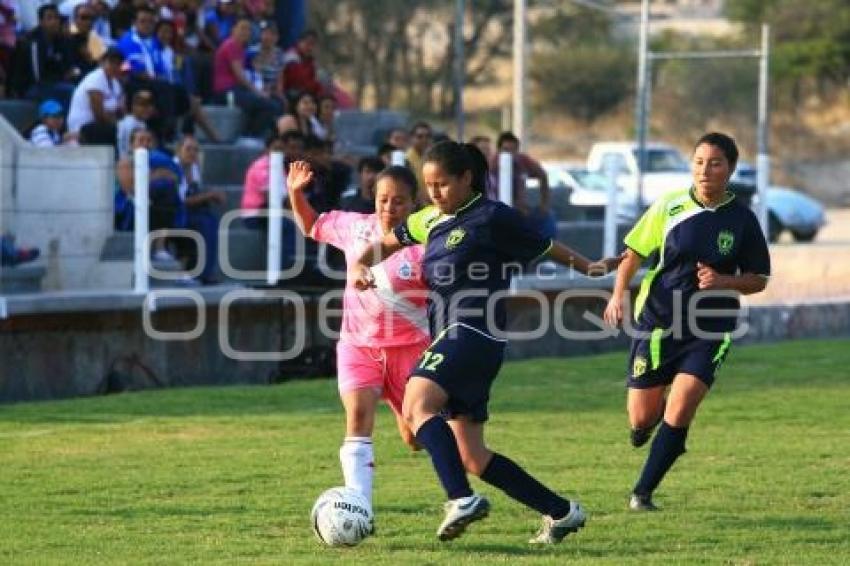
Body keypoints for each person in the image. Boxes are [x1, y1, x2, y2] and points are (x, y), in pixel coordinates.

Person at [351, 141, 622, 543]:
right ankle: (561, 511)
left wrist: (591, 267)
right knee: (472, 456)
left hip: (473, 329)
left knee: (415, 403)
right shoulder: (429, 220)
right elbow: (388, 242)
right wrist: (361, 262)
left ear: (466, 179)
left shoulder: (492, 216)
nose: (435, 193)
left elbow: (545, 247)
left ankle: (459, 499)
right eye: (429, 185)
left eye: (442, 184)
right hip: (461, 338)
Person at [603, 132, 771, 512]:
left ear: (730, 168)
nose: (705, 170)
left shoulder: (742, 220)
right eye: (698, 162)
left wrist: (724, 281)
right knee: (642, 415)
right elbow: (632, 254)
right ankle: (647, 426)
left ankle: (642, 493)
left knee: (682, 406)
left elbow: (759, 279)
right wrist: (617, 295)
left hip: (710, 327)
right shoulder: (669, 206)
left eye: (714, 163)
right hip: (658, 323)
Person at [287, 160, 429, 511]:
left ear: (414, 204)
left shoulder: (426, 244)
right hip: (358, 345)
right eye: (383, 199)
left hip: (409, 348)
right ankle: (359, 506)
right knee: (358, 419)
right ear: (373, 198)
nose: (389, 208)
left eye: (398, 201)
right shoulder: (355, 227)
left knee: (415, 438)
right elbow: (311, 225)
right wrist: (295, 193)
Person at [213, 17, 282, 138]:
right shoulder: (231, 45)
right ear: (233, 30)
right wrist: (258, 92)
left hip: (238, 90)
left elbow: (253, 73)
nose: (245, 32)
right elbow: (240, 76)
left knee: (274, 103)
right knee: (269, 106)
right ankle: (250, 136)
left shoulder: (243, 50)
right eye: (242, 28)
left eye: (248, 29)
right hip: (227, 91)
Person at [174, 135, 225, 284]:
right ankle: (202, 273)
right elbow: (181, 201)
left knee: (210, 221)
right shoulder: (174, 168)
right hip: (175, 212)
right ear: (178, 150)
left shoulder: (194, 168)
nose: (192, 153)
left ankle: (205, 271)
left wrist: (213, 195)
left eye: (195, 150)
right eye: (188, 149)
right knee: (205, 224)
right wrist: (209, 195)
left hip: (191, 211)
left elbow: (195, 192)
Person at [491, 131, 555, 240]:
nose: (510, 154)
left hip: (521, 212)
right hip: (496, 212)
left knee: (549, 219)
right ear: (499, 150)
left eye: (514, 150)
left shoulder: (522, 161)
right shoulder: (491, 164)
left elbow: (542, 174)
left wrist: (544, 203)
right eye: (506, 150)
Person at [67, 47, 125, 148]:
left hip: (100, 125)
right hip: (83, 127)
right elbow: (99, 115)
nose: (114, 66)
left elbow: (121, 112)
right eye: (111, 62)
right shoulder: (95, 78)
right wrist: (114, 118)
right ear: (102, 62)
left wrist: (114, 117)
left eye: (118, 63)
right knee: (119, 130)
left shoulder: (116, 84)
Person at [117, 89, 155, 157]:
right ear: (133, 106)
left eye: (149, 105)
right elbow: (125, 150)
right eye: (142, 105)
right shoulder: (127, 124)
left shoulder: (143, 124)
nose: (147, 109)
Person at [405, 121, 432, 205]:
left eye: (427, 136)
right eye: (420, 137)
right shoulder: (406, 159)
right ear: (411, 138)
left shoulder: (431, 157)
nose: (424, 140)